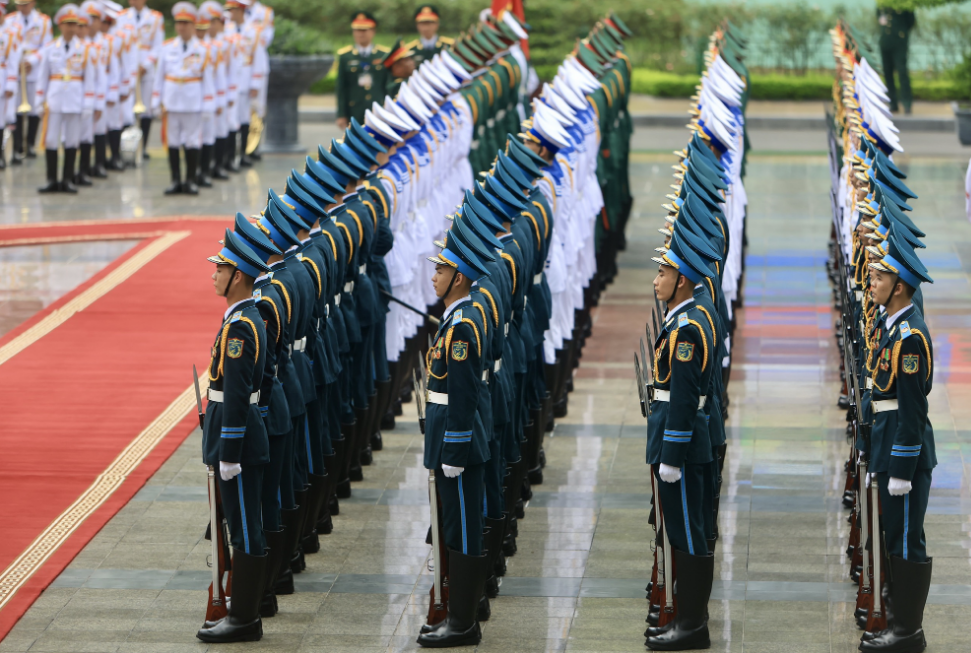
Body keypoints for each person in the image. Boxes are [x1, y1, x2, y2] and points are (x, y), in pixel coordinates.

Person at [418, 224, 493, 649]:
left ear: (458, 277)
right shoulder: (459, 318)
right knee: (454, 523)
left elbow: (463, 392)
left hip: (457, 441)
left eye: (441, 270)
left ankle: (462, 622)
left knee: (462, 527)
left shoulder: (462, 326)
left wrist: (457, 445)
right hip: (450, 436)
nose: (433, 276)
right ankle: (457, 615)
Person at [196, 228, 270, 644]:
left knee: (244, 529)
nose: (214, 275)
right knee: (244, 526)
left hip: (237, 445)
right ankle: (245, 614)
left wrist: (231, 449)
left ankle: (243, 618)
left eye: (220, 268)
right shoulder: (244, 318)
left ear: (238, 275)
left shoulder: (241, 328)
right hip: (240, 436)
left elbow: (240, 394)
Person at [862, 234, 935, 653]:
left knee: (906, 540)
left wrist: (903, 469)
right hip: (887, 446)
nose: (872, 282)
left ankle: (907, 632)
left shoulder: (909, 338)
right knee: (894, 537)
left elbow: (912, 410)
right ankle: (897, 622)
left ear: (900, 286)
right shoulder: (893, 328)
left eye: (879, 277)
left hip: (904, 453)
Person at [645, 227, 716, 651]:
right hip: (683, 443)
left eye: (663, 273)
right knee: (685, 531)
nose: (656, 280)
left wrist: (671, 453)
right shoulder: (685, 320)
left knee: (687, 534)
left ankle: (691, 626)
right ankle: (690, 621)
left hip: (684, 448)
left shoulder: (687, 330)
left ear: (682, 281)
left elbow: (685, 398)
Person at [151, 1, 215, 195]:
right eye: (179, 22)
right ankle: (175, 180)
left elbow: (208, 80)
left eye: (186, 23)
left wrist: (208, 106)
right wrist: (156, 101)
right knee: (172, 142)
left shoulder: (203, 49)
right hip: (171, 102)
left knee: (192, 142)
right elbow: (159, 76)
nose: (181, 26)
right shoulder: (167, 47)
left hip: (193, 102)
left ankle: (190, 180)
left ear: (193, 24)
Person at [34, 4, 95, 194]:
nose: (70, 28)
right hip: (54, 100)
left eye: (73, 24)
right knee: (51, 139)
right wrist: (38, 100)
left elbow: (90, 80)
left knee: (72, 140)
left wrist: (88, 104)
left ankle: (67, 179)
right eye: (67, 24)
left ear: (78, 26)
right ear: (60, 25)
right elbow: (42, 77)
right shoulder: (50, 48)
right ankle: (52, 179)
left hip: (75, 101)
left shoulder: (85, 49)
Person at [7, 0, 52, 164]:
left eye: (25, 4)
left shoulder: (43, 21)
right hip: (15, 68)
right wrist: (17, 62)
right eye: (19, 4)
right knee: (16, 108)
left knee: (33, 108)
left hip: (34, 68)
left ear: (32, 3)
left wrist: (32, 61)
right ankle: (18, 146)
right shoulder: (10, 20)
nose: (21, 7)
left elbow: (47, 45)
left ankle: (30, 144)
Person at [117, 0, 162, 158]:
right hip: (127, 66)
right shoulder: (121, 16)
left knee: (146, 109)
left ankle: (142, 147)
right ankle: (125, 147)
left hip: (145, 68)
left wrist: (146, 64)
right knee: (126, 107)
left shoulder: (155, 18)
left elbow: (158, 45)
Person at [335, 11, 388, 130]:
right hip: (354, 109)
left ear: (373, 31)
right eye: (357, 30)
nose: (360, 34)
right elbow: (341, 87)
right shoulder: (345, 56)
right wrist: (341, 114)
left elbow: (387, 84)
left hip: (378, 108)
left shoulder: (383, 54)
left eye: (364, 30)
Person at [877, 5, 914, 115]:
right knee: (887, 73)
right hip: (885, 41)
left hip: (899, 41)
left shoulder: (904, 3)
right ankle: (893, 103)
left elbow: (910, 21)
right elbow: (879, 15)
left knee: (902, 73)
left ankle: (907, 103)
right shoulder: (882, 3)